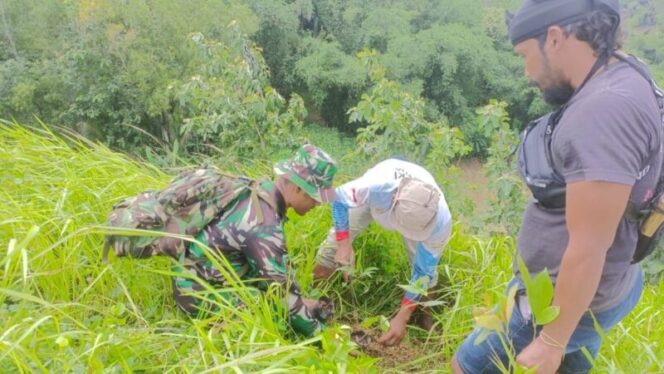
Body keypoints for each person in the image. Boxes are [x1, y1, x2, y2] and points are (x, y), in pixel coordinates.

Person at [452, 1, 662, 373]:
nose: (525, 71)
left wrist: (551, 340)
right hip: (606, 285)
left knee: (465, 366)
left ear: (554, 38)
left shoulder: (603, 111)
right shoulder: (625, 71)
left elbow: (589, 245)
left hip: (563, 302)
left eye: (525, 55)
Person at [172, 144, 339, 336]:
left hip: (198, 277)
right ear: (297, 187)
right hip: (196, 294)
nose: (317, 204)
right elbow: (280, 293)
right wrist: (326, 337)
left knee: (283, 301)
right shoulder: (264, 225)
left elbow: (275, 269)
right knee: (268, 309)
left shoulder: (260, 192)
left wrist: (300, 299)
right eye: (315, 196)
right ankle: (221, 332)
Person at [312, 158, 453, 346]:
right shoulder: (375, 187)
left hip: (420, 220)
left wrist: (402, 317)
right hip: (377, 202)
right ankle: (316, 306)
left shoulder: (440, 222)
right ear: (393, 199)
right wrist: (344, 244)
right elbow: (340, 199)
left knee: (428, 277)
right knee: (331, 250)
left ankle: (425, 318)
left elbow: (423, 272)